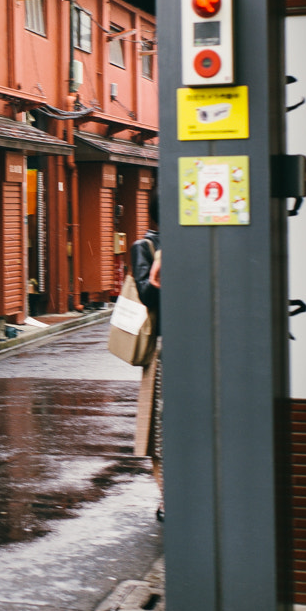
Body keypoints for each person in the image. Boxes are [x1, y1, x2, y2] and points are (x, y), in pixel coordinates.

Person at [131, 207, 162, 520]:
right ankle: (167, 498)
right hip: (161, 346)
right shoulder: (146, 247)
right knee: (158, 428)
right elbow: (146, 295)